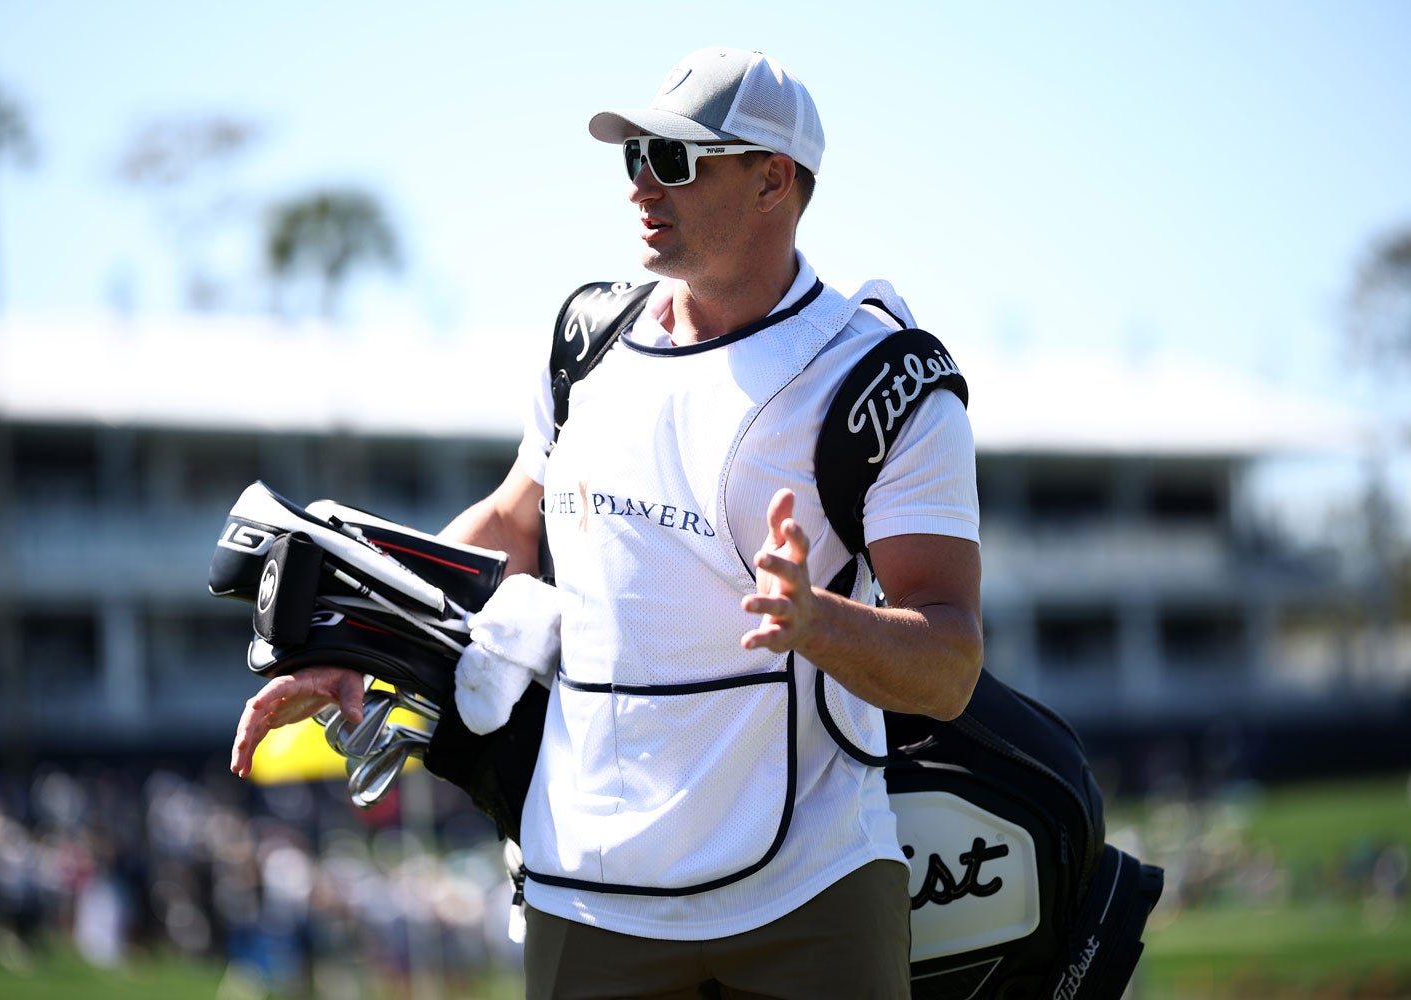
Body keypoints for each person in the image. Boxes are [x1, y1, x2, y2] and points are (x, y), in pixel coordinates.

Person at [231, 46, 983, 1000]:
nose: (640, 186)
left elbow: (950, 664)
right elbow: (511, 524)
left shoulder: (881, 376)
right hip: (586, 894)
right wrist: (364, 640)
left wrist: (816, 621)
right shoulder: (587, 341)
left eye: (672, 160)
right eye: (634, 157)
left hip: (809, 893)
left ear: (773, 181)